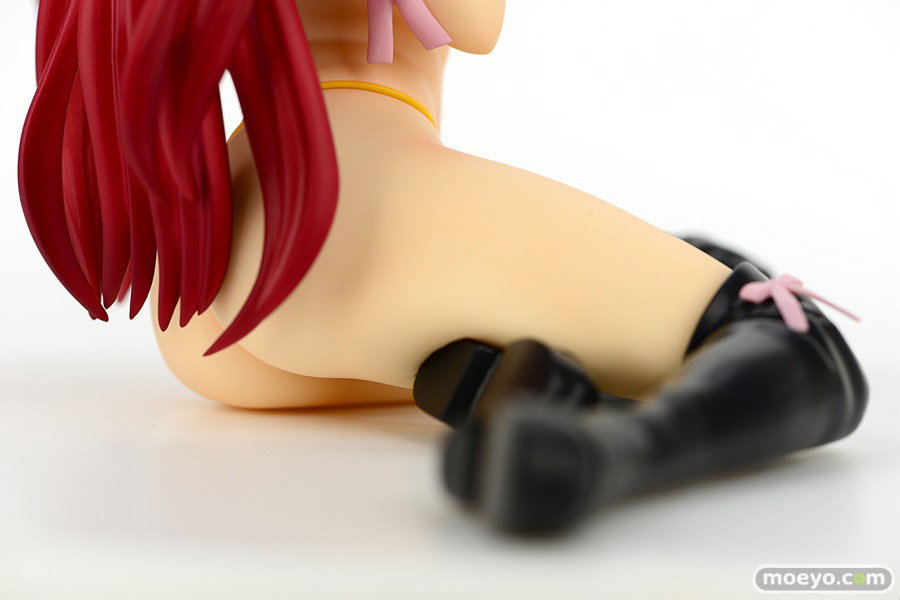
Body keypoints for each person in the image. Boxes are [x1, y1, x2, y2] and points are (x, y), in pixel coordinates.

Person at [19, 0, 866, 531]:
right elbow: (475, 21)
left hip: (220, 291)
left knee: (677, 263)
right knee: (797, 343)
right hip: (344, 214)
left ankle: (511, 389)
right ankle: (599, 457)